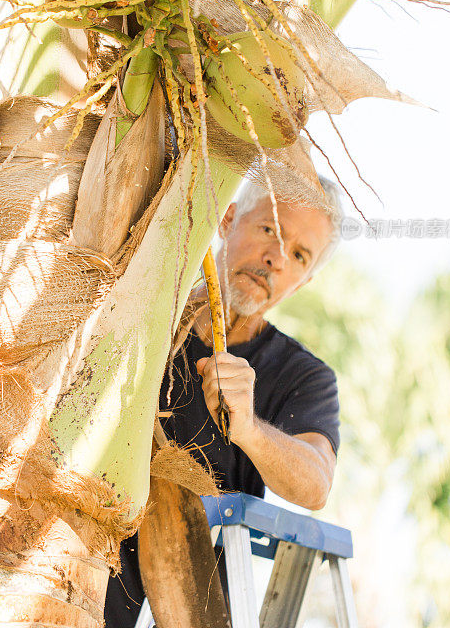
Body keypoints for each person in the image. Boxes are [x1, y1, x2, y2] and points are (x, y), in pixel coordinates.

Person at [104, 176, 343, 627]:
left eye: (298, 255)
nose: (275, 259)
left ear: (303, 282)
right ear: (228, 219)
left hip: (187, 609)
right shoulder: (140, 309)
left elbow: (316, 483)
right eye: (270, 229)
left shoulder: (304, 376)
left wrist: (249, 428)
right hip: (69, 579)